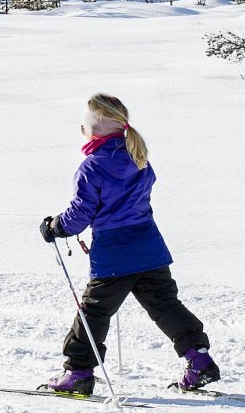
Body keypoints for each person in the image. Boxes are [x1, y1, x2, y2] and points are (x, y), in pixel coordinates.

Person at [38, 93, 220, 395]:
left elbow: (81, 214)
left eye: (84, 124)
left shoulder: (91, 167)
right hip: (149, 248)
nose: (81, 129)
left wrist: (56, 226)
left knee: (93, 312)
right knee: (165, 306)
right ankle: (199, 360)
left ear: (96, 127)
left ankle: (78, 372)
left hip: (115, 254)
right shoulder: (138, 157)